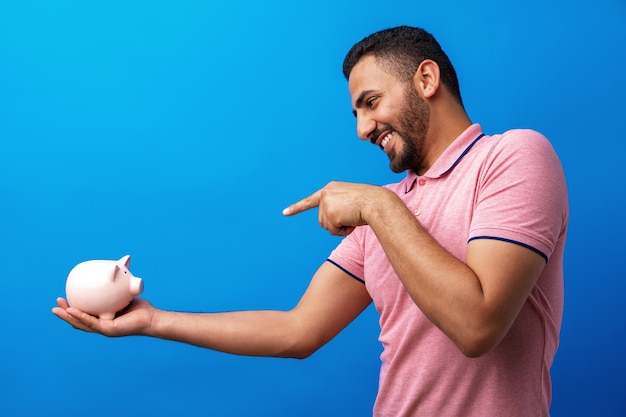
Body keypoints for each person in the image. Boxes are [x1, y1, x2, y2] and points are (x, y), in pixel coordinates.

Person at [53, 25, 569, 416]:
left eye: (371, 103)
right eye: (356, 114)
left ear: (426, 79)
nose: (364, 129)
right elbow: (297, 330)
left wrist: (377, 207)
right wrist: (154, 320)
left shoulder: (513, 157)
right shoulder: (385, 210)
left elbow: (477, 325)